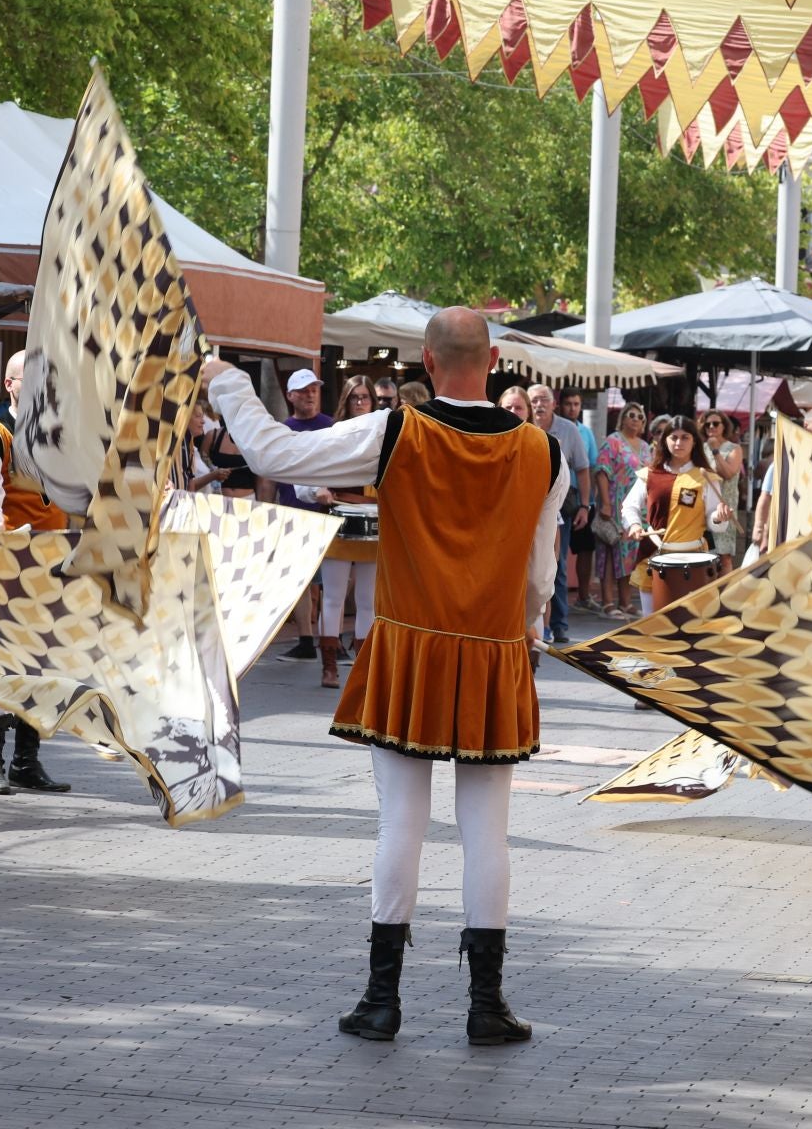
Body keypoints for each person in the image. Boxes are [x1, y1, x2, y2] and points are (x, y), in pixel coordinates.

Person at [202, 306, 565, 1045]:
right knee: (486, 832)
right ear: (493, 359)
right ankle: (486, 1005)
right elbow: (540, 572)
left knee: (400, 821)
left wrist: (225, 382)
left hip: (409, 647)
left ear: (428, 365)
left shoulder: (398, 430)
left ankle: (381, 1000)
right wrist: (518, 623)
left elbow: (274, 456)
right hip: (494, 651)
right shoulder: (542, 451)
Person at [0, 350, 74, 797]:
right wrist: (3, 535)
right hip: (9, 566)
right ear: (10, 385)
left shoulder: (64, 439)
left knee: (45, 663)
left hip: (56, 564)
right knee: (0, 662)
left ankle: (27, 761)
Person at [310, 375, 382, 689]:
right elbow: (309, 471)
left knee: (368, 600)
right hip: (338, 518)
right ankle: (329, 666)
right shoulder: (333, 434)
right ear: (346, 400)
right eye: (354, 397)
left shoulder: (384, 435)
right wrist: (318, 490)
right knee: (333, 596)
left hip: (375, 520)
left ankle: (364, 669)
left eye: (365, 397)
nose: (360, 402)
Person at [622, 416, 731, 616]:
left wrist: (719, 518)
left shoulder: (706, 477)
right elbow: (630, 506)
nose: (679, 443)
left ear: (694, 441)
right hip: (654, 556)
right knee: (653, 624)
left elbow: (712, 518)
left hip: (695, 559)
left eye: (685, 437)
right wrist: (635, 525)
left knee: (690, 625)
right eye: (673, 437)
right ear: (665, 440)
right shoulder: (650, 474)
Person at [275, 368, 333, 662]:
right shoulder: (282, 431)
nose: (310, 394)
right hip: (293, 514)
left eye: (314, 389)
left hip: (326, 514)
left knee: (325, 584)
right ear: (290, 396)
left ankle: (327, 639)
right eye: (304, 390)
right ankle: (307, 639)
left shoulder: (331, 426)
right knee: (300, 582)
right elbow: (270, 474)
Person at [529, 384, 591, 644]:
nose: (539, 404)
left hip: (559, 508)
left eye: (544, 399)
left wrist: (585, 506)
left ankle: (559, 623)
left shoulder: (568, 429)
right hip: (527, 508)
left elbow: (584, 468)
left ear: (554, 403)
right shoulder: (522, 427)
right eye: (534, 400)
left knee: (558, 565)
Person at [750, 406, 812, 554]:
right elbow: (766, 497)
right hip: (787, 536)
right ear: (806, 427)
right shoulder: (787, 460)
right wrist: (760, 530)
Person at [595, 403, 649, 618]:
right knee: (610, 554)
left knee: (630, 556)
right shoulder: (613, 442)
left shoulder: (646, 447)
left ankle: (626, 602)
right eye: (631, 415)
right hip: (615, 504)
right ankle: (608, 603)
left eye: (639, 416)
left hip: (637, 510)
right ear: (623, 419)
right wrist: (606, 503)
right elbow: (601, 471)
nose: (635, 419)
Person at [557, 389, 601, 612]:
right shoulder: (555, 428)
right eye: (568, 403)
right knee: (559, 553)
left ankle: (584, 596)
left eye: (576, 404)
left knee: (585, 549)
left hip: (581, 500)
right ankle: (558, 603)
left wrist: (590, 501)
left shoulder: (586, 432)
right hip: (559, 499)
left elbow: (591, 467)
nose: (572, 408)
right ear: (560, 405)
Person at [699, 410, 744, 572]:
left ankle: (725, 596)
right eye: (707, 424)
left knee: (724, 556)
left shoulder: (734, 449)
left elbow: (728, 473)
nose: (711, 427)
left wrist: (715, 451)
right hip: (702, 508)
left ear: (724, 426)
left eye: (716, 423)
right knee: (703, 556)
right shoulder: (699, 449)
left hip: (725, 507)